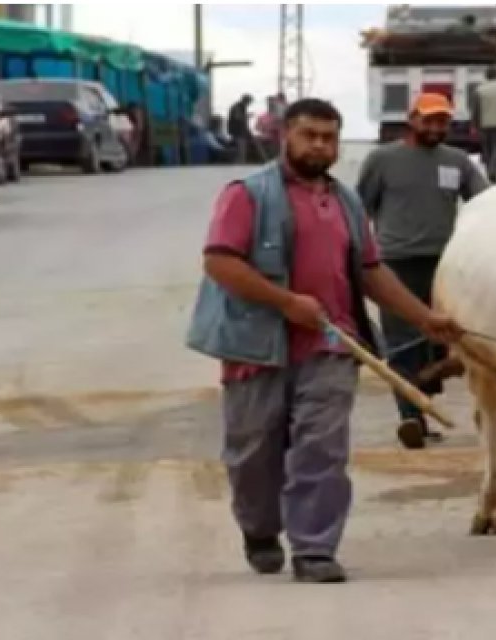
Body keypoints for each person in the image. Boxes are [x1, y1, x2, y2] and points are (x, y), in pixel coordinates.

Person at [188, 98, 464, 583]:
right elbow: (219, 262)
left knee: (323, 449)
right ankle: (259, 529)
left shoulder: (346, 201)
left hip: (332, 345)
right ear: (285, 137)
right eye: (309, 135)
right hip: (258, 347)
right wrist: (286, 301)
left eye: (329, 137)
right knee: (254, 454)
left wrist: (425, 318)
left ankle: (314, 548)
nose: (319, 145)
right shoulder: (246, 194)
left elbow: (370, 270)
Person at [357, 92, 488, 450]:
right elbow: (358, 211)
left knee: (444, 337)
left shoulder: (458, 162)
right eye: (428, 119)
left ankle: (424, 388)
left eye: (442, 121)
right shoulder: (382, 160)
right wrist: (356, 256)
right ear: (411, 120)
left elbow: (484, 201)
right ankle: (411, 419)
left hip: (446, 266)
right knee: (402, 342)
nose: (435, 127)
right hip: (395, 265)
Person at [227, 94, 254, 164]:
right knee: (241, 152)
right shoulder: (237, 107)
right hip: (238, 132)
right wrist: (247, 116)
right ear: (246, 100)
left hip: (239, 132)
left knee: (241, 151)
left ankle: (240, 164)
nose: (249, 104)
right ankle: (240, 165)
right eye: (249, 102)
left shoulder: (240, 107)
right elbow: (237, 117)